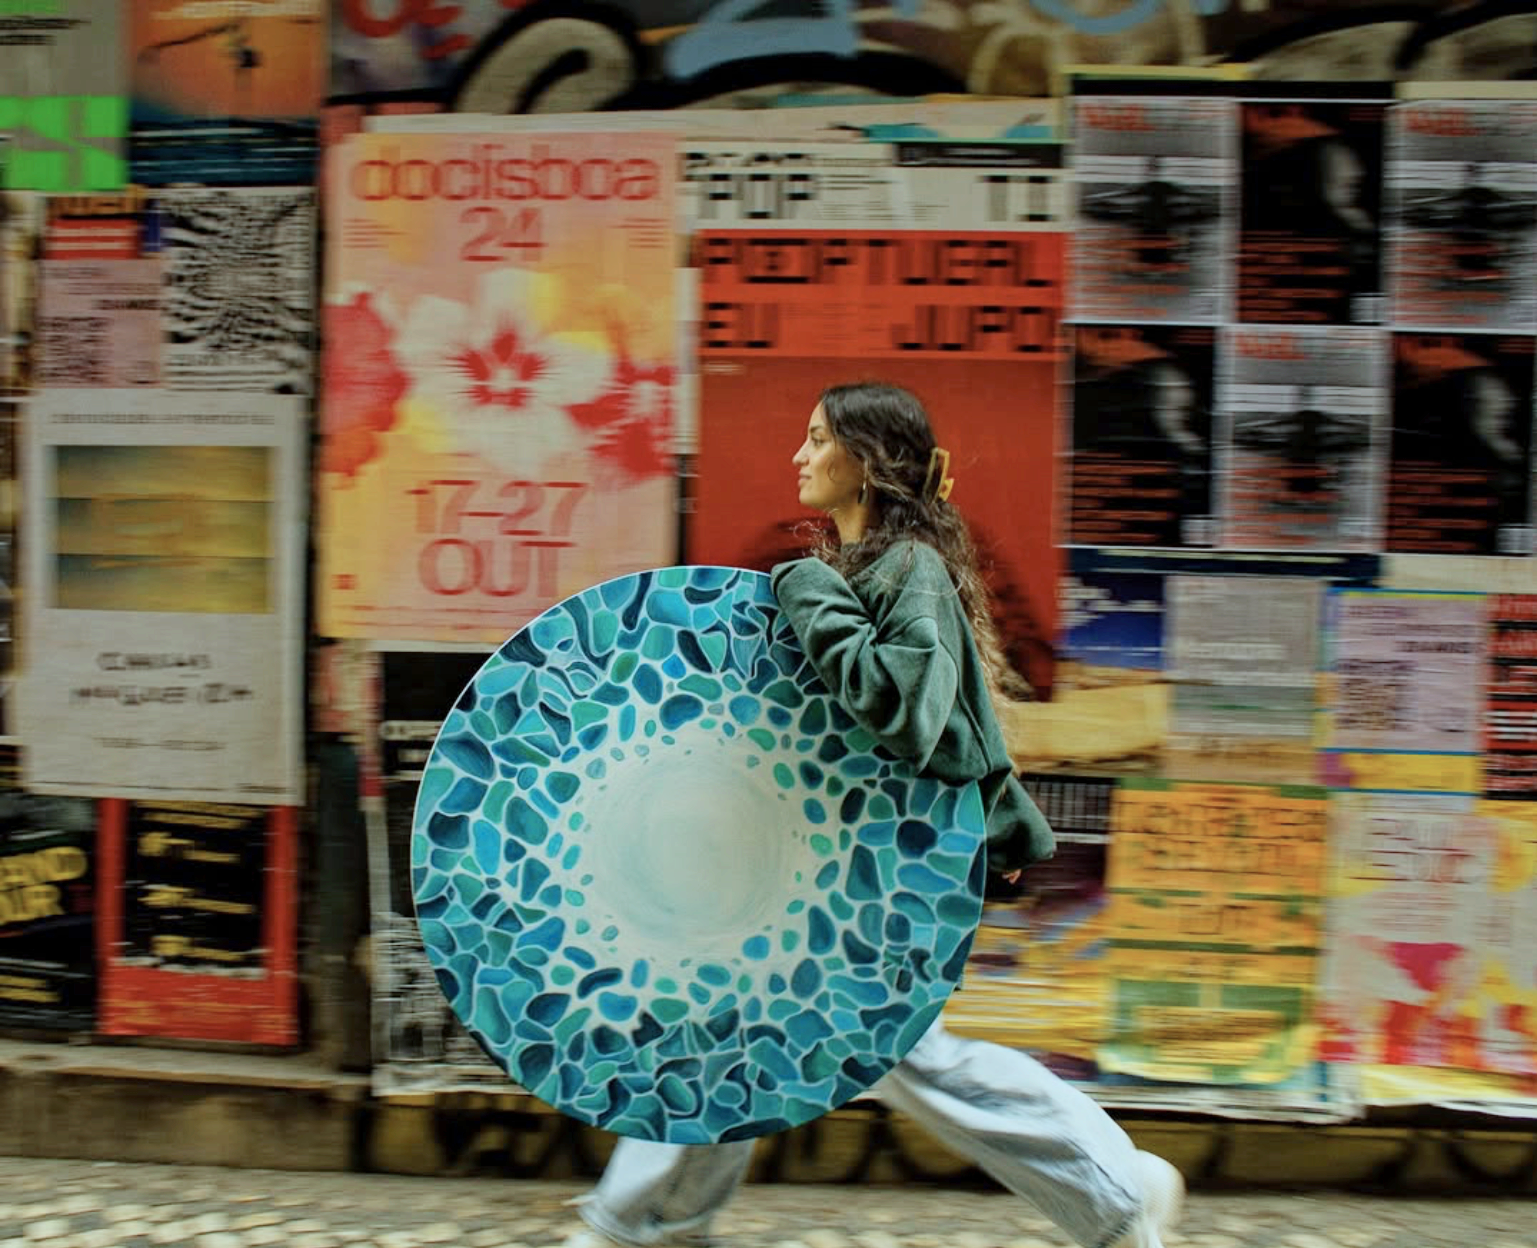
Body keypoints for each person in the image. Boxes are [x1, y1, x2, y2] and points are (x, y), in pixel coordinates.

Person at [554, 382, 1184, 1248]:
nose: (799, 456)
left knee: (893, 1056)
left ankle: (1117, 1191)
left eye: (817, 439)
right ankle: (644, 1225)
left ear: (868, 461)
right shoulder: (871, 569)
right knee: (733, 1035)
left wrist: (810, 595)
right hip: (835, 871)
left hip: (874, 881)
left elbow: (907, 711)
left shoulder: (904, 570)